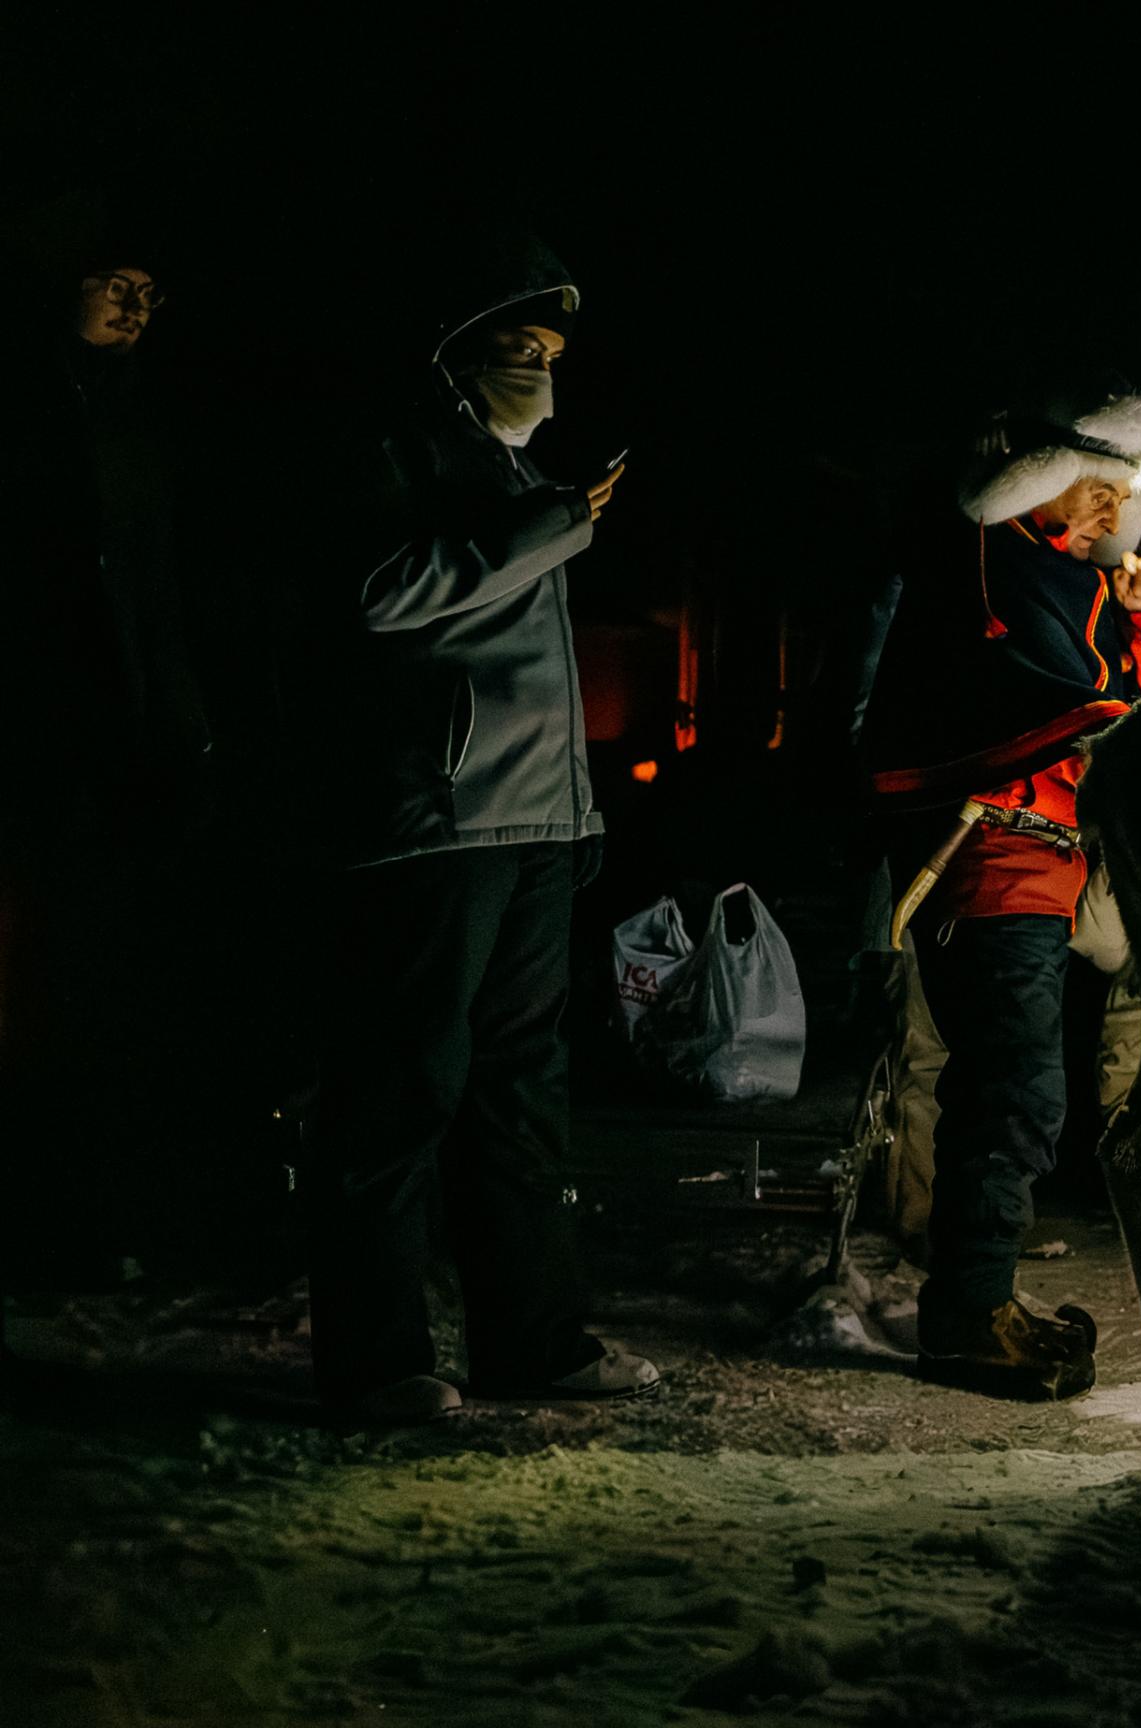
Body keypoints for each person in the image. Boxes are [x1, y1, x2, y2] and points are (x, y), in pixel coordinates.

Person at [294, 232, 655, 1423]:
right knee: (402, 1091)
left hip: (533, 825)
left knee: (520, 1094)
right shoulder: (392, 449)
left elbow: (533, 665)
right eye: (517, 345)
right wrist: (550, 526)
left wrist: (578, 808)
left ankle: (534, 1344)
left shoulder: (522, 479)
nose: (541, 368)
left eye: (551, 351)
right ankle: (377, 1360)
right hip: (433, 827)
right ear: (454, 351)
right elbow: (381, 596)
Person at [863, 385, 1141, 1399]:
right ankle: (964, 1314)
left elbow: (1137, 712)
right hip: (989, 852)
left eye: (1122, 497)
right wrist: (1105, 711)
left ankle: (982, 1296)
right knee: (1010, 1088)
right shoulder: (980, 562)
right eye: (1096, 492)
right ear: (1040, 482)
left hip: (1051, 860)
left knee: (1018, 1091)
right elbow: (1032, 702)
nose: (1110, 517)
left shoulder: (1071, 580)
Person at [1, 213, 215, 1288]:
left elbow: (161, 585)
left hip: (136, 742)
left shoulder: (146, 419)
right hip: (51, 739)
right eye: (114, 282)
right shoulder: (31, 406)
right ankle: (59, 1225)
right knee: (48, 982)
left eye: (149, 290)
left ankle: (118, 1219)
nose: (133, 306)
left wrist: (182, 721)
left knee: (124, 978)